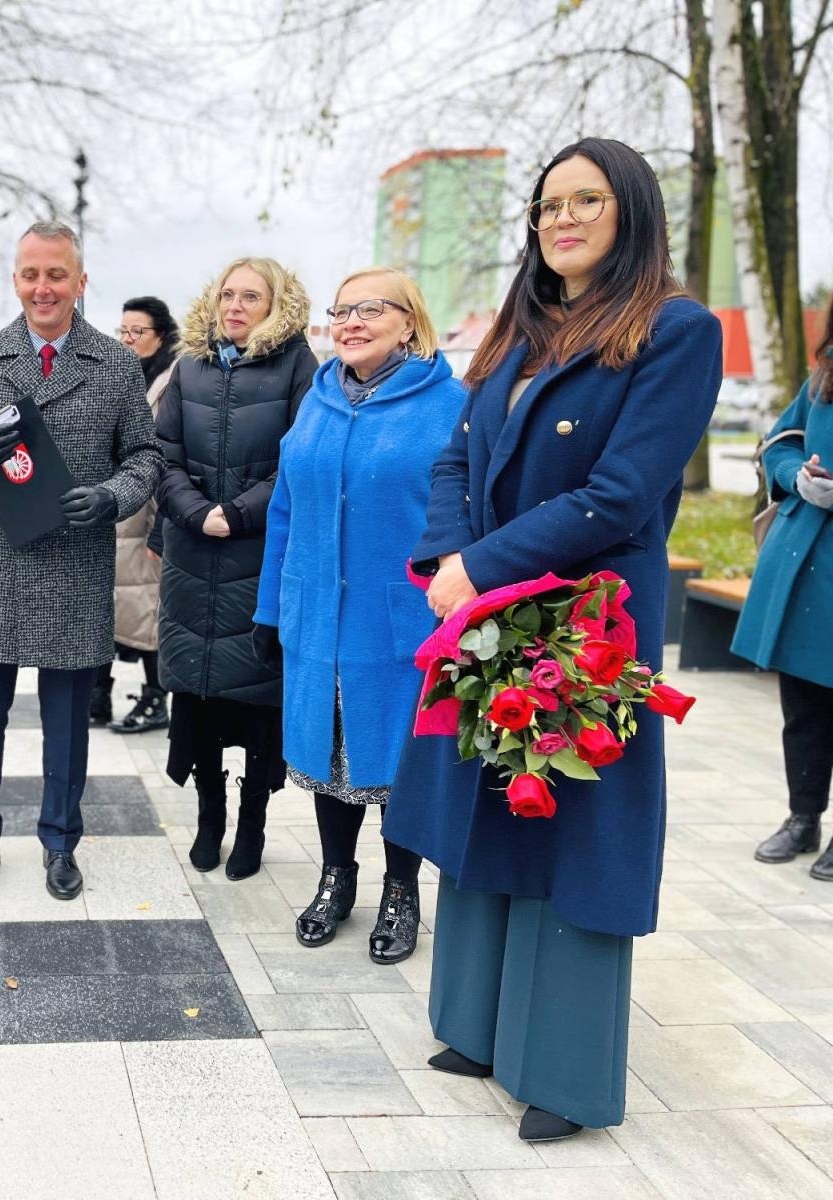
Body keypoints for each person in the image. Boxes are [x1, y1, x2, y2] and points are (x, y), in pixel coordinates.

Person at [383, 138, 722, 1141]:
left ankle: (563, 1072)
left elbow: (621, 495)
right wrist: (450, 563)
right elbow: (454, 461)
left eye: (586, 200)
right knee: (488, 804)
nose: (561, 219)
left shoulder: (675, 329)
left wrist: (480, 572)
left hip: (590, 621)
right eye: (545, 206)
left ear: (631, 212)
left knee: (576, 827)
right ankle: (479, 1026)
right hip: (485, 613)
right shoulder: (521, 330)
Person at [0, 221, 162, 901]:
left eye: (57, 274)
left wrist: (113, 496)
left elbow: (146, 457)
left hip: (76, 568)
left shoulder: (115, 363)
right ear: (16, 280)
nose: (42, 287)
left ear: (80, 282)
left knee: (66, 728)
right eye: (31, 274)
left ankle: (60, 842)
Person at [253, 267, 464, 963]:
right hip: (317, 616)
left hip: (405, 621)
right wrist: (269, 609)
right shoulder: (317, 401)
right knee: (328, 753)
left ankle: (402, 892)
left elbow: (466, 514)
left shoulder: (446, 403)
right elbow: (285, 508)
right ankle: (335, 879)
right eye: (341, 311)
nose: (350, 322)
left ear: (410, 321)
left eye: (370, 309)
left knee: (398, 762)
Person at [156, 257, 318, 880]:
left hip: (261, 555)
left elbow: (300, 462)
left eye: (252, 296)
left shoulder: (301, 367)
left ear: (278, 303)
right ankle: (209, 819)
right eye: (227, 294)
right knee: (199, 701)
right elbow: (160, 453)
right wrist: (198, 513)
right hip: (194, 558)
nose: (236, 306)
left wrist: (240, 513)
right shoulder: (189, 367)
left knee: (256, 705)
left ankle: (251, 826)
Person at [735, 303, 833, 877]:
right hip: (807, 567)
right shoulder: (824, 373)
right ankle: (803, 817)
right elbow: (781, 441)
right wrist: (797, 475)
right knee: (802, 706)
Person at [94, 296, 178, 735]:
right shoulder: (123, 376)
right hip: (116, 513)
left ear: (160, 335)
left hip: (148, 517)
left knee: (146, 607)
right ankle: (97, 691)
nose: (127, 341)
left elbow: (169, 458)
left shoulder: (170, 383)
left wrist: (161, 528)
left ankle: (155, 698)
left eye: (137, 333)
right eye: (122, 332)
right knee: (113, 603)